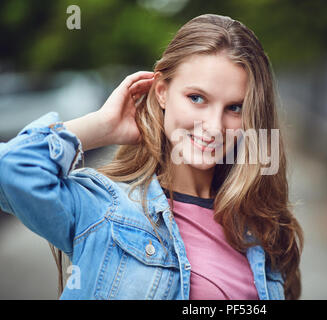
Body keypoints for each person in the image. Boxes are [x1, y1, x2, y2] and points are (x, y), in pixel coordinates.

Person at [0, 13, 304, 300]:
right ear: (161, 91)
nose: (213, 126)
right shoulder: (105, 208)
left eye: (234, 108)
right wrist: (103, 126)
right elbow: (12, 169)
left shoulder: (265, 228)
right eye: (196, 98)